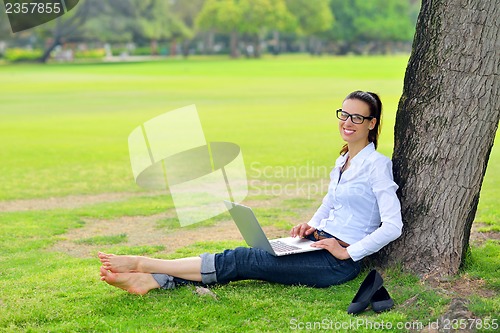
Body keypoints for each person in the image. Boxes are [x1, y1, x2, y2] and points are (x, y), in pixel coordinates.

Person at [98, 90, 403, 295]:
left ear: (372, 123)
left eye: (357, 118)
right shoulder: (343, 160)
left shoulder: (377, 166)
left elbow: (393, 225)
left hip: (335, 264)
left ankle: (145, 265)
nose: (347, 123)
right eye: (344, 114)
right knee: (249, 256)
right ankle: (154, 281)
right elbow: (330, 202)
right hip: (315, 242)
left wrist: (347, 251)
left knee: (246, 260)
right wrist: (311, 225)